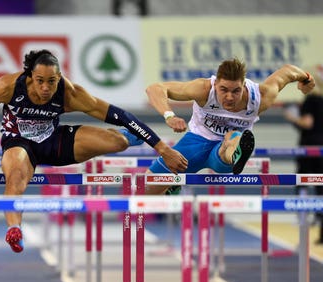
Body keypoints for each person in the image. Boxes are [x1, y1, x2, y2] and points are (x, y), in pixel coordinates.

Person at [0, 49, 187, 253]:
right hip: (18, 142)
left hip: (54, 141)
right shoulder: (9, 86)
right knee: (15, 176)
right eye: (40, 81)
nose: (45, 88)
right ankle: (14, 229)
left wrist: (162, 149)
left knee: (117, 143)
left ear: (59, 78)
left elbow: (120, 115)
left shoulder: (69, 93)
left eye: (51, 82)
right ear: (30, 76)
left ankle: (126, 138)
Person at [135, 58, 316, 195]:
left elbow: (288, 72)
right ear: (215, 84)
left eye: (236, 91)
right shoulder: (203, 89)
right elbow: (155, 88)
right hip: (195, 143)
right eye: (224, 90)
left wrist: (307, 78)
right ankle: (172, 185)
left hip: (225, 150)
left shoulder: (260, 96)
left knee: (233, 137)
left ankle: (237, 155)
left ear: (244, 85)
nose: (229, 97)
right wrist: (169, 115)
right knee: (144, 190)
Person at [284, 65, 323, 243]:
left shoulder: (310, 100)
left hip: (310, 148)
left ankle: (302, 219)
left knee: (302, 182)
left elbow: (307, 123)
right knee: (321, 186)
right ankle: (319, 222)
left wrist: (291, 117)